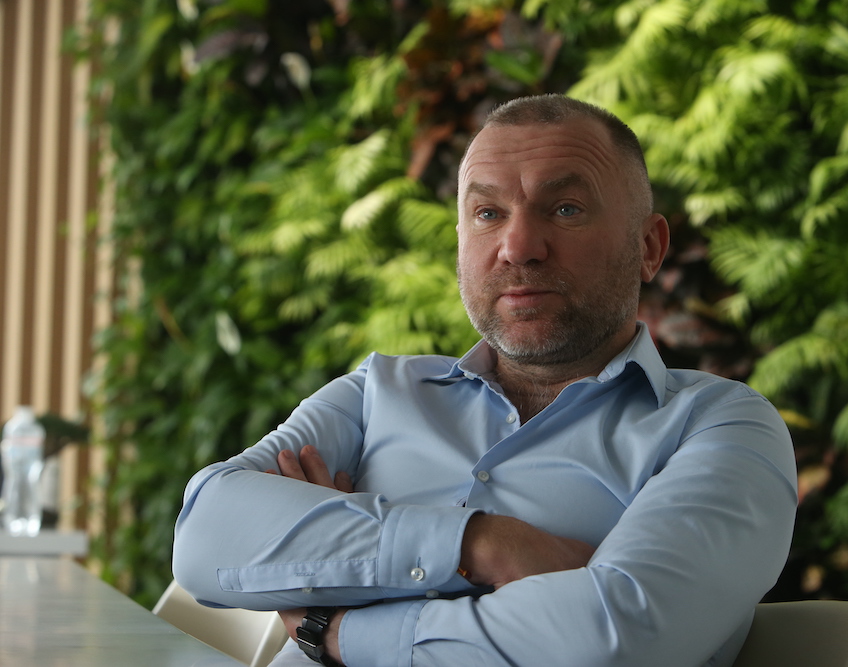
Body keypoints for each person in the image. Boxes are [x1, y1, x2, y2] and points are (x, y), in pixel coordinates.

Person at [172, 94, 797, 667]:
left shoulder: (720, 428)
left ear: (649, 248)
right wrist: (479, 543)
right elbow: (204, 540)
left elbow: (615, 639)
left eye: (566, 209)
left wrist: (334, 624)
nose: (518, 246)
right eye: (488, 213)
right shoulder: (376, 392)